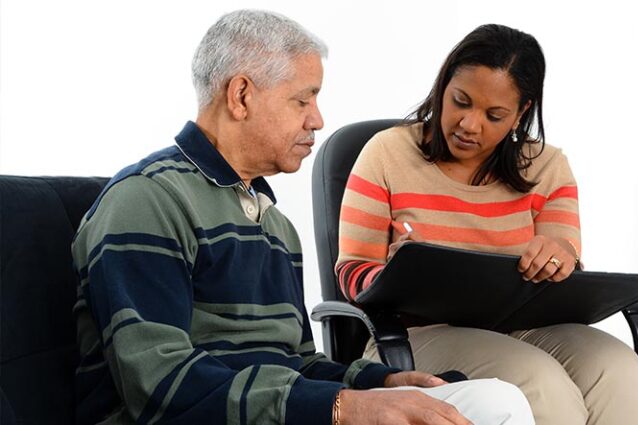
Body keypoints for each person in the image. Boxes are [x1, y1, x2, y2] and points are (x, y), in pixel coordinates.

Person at [71, 10, 534, 425]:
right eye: (302, 100)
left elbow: (295, 363)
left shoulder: (272, 225)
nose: (317, 119)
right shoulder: (149, 199)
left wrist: (378, 382)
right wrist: (341, 407)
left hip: (274, 412)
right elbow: (159, 385)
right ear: (241, 95)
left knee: (495, 399)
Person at [336, 24, 638, 425]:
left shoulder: (547, 166)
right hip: (418, 334)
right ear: (443, 85)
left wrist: (560, 257)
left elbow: (565, 254)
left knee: (621, 371)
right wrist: (404, 277)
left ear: (521, 112)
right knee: (540, 383)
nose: (470, 125)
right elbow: (352, 271)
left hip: (526, 326)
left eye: (494, 115)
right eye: (460, 101)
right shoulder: (386, 153)